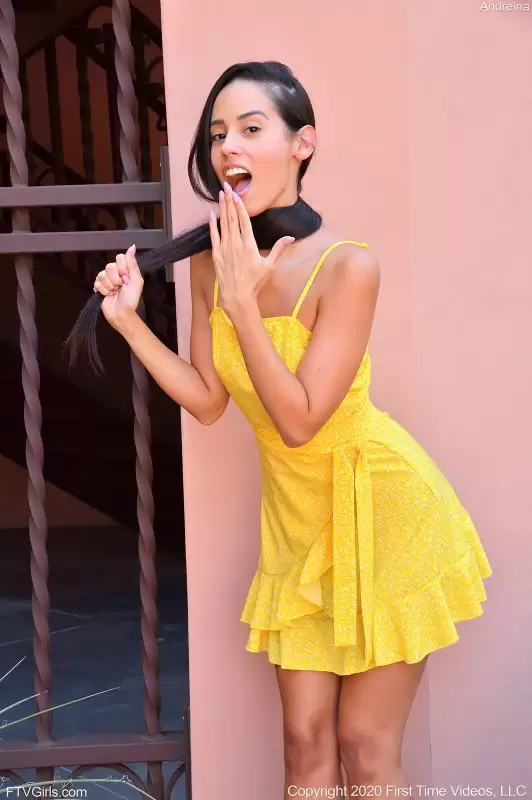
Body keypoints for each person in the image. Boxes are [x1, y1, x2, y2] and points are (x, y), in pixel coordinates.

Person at [79, 61, 492, 798]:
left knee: (365, 747)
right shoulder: (212, 265)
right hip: (296, 522)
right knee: (303, 744)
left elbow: (300, 420)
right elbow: (209, 400)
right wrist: (130, 323)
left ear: (303, 144)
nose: (228, 147)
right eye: (217, 135)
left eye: (250, 128)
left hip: (382, 509)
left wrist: (245, 306)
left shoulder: (347, 267)